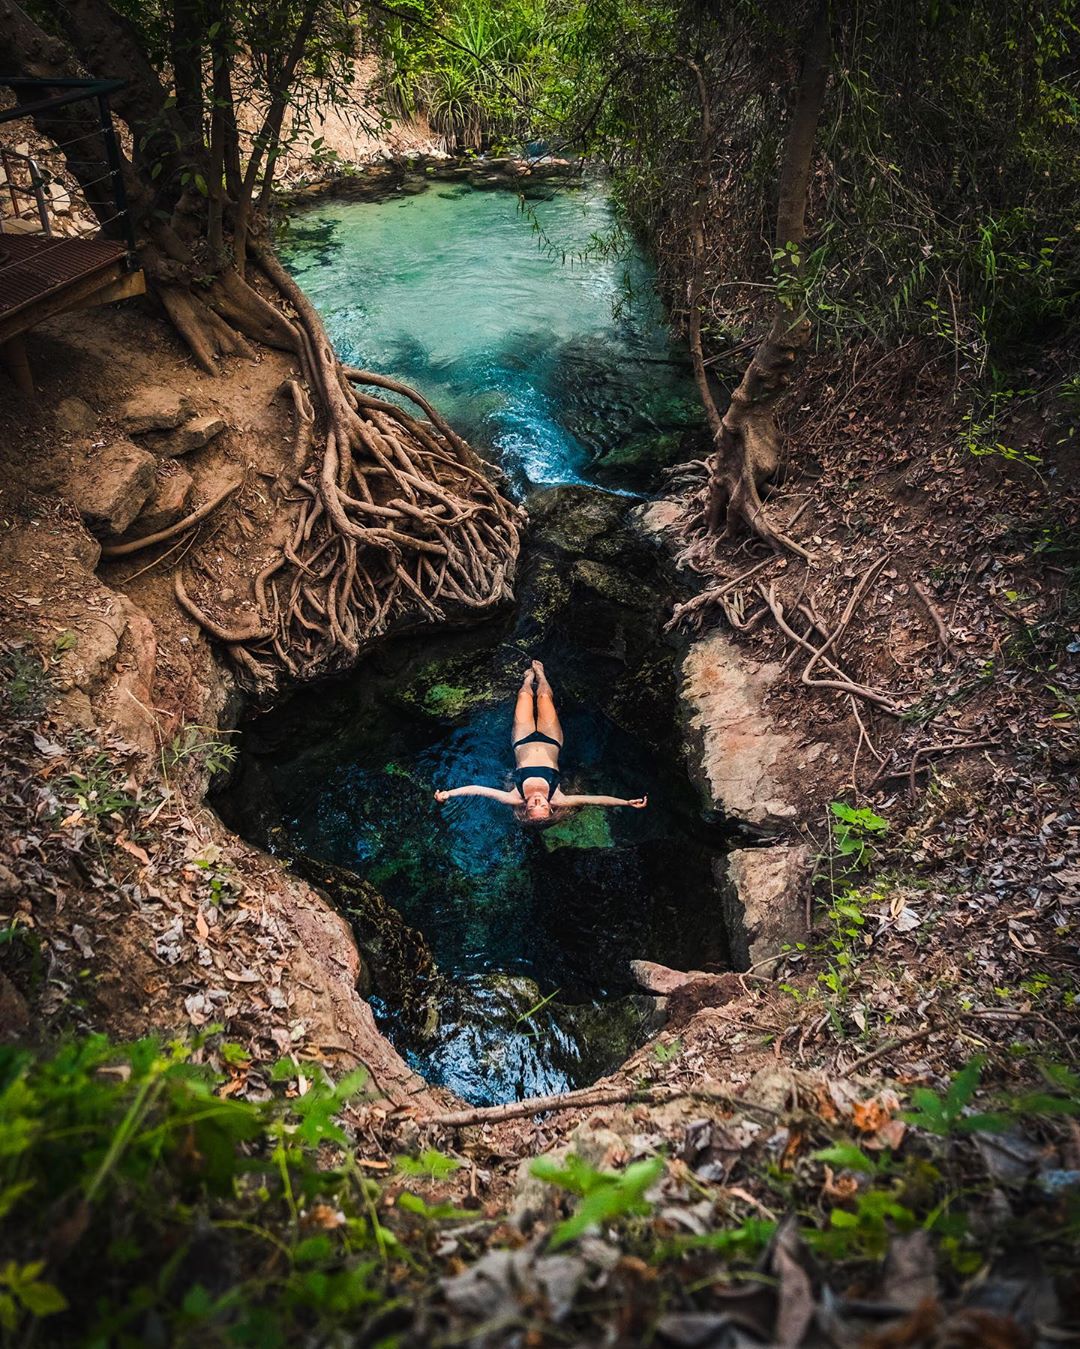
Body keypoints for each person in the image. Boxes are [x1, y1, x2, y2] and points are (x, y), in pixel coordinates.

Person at [433, 660, 648, 823]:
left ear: (525, 807)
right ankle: (542, 677)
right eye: (542, 805)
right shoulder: (559, 798)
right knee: (544, 698)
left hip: (522, 740)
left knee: (524, 697)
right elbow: (596, 799)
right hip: (551, 740)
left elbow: (478, 789)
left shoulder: (514, 796)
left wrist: (449, 794)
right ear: (550, 807)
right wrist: (626, 802)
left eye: (533, 805)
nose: (537, 801)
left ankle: (527, 680)